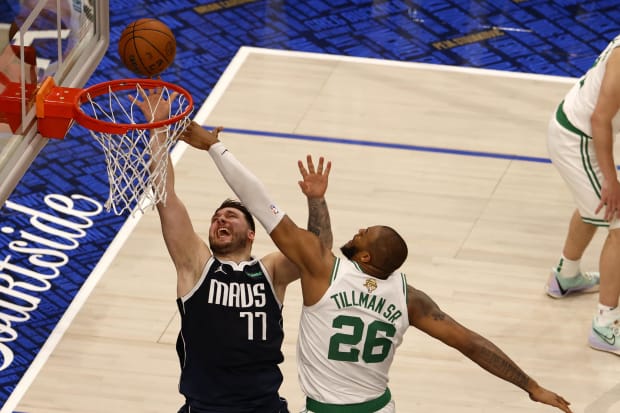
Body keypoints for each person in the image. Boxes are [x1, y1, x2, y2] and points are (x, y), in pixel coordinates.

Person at [180, 121, 574, 413]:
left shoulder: (325, 273)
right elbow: (470, 343)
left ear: (365, 257)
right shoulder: (409, 298)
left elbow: (260, 202)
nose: (361, 229)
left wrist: (216, 148)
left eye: (366, 234)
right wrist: (530, 385)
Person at [133, 91, 334, 413]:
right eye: (216, 217)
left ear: (252, 234)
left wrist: (316, 200)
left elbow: (319, 252)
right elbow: (165, 197)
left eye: (231, 216)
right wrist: (157, 128)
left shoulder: (271, 271)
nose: (220, 218)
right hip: (205, 408)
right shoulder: (196, 265)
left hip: (263, 407)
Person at [546, 33, 620, 355]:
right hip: (577, 140)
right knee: (617, 220)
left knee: (591, 206)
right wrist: (611, 180)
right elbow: (600, 118)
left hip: (579, 132)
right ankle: (605, 326)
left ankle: (565, 277)